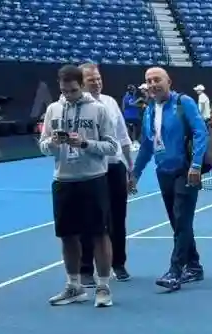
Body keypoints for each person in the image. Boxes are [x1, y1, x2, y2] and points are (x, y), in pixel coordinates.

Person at [38, 64, 121, 307]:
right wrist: (52, 143)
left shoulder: (98, 109)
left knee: (99, 234)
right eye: (64, 91)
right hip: (63, 180)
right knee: (67, 235)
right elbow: (43, 146)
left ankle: (103, 286)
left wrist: (85, 143)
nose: (68, 95)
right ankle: (74, 286)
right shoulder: (53, 109)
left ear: (82, 86)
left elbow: (111, 146)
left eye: (73, 90)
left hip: (93, 179)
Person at [129, 66, 208, 292]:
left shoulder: (184, 103)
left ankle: (175, 271)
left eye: (157, 80)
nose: (153, 84)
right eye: (149, 81)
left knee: (182, 220)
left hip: (185, 170)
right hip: (163, 172)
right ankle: (194, 266)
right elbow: (146, 146)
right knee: (177, 221)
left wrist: (196, 165)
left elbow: (200, 132)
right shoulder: (149, 111)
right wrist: (135, 174)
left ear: (169, 81)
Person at [77, 63, 134, 286]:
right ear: (82, 83)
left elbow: (123, 137)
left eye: (99, 79)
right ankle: (85, 269)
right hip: (90, 170)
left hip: (115, 167)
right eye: (92, 80)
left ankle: (118, 263)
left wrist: (130, 168)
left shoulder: (110, 102)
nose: (97, 83)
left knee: (118, 219)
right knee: (89, 220)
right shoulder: (76, 107)